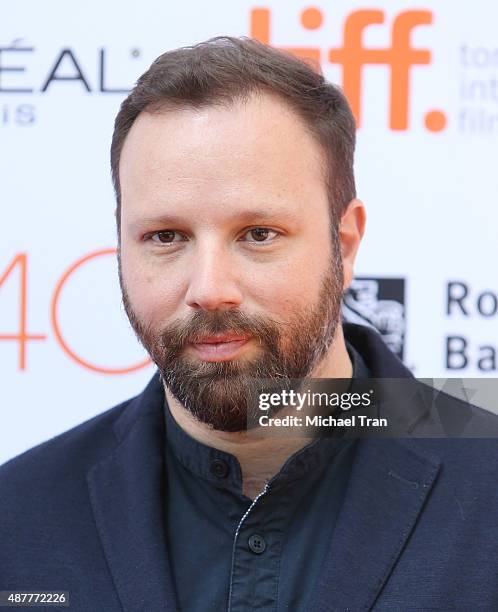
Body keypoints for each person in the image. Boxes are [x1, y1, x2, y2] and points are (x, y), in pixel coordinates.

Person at [1, 36, 497, 612]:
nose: (210, 288)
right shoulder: (17, 518)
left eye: (258, 234)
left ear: (345, 243)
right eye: (166, 237)